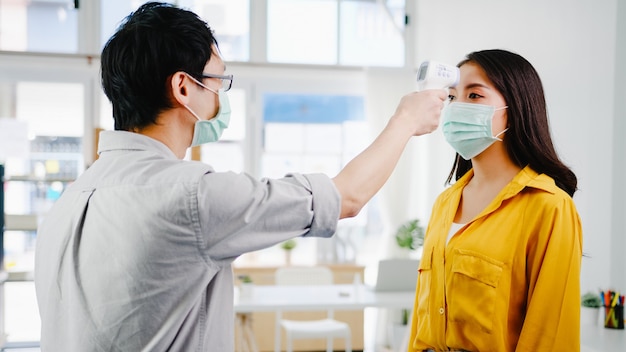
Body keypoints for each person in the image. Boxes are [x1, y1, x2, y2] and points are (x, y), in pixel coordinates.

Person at [33, 2, 446, 351]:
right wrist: (406, 119)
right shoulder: (191, 195)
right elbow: (347, 197)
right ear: (183, 87)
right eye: (217, 80)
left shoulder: (70, 200)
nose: (220, 96)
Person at [408, 49, 582, 352]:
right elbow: (421, 322)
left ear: (516, 107)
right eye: (451, 97)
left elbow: (550, 332)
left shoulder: (549, 206)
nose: (456, 107)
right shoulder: (445, 203)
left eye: (474, 96)